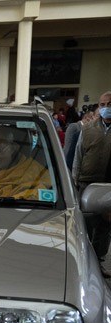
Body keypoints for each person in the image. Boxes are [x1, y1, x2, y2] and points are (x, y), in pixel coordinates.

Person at [72, 91, 111, 267]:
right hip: (86, 183)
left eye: (109, 104)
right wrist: (74, 179)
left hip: (107, 186)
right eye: (102, 105)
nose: (105, 108)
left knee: (104, 226)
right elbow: (78, 155)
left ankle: (99, 262)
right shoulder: (88, 129)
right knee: (84, 225)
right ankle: (84, 262)